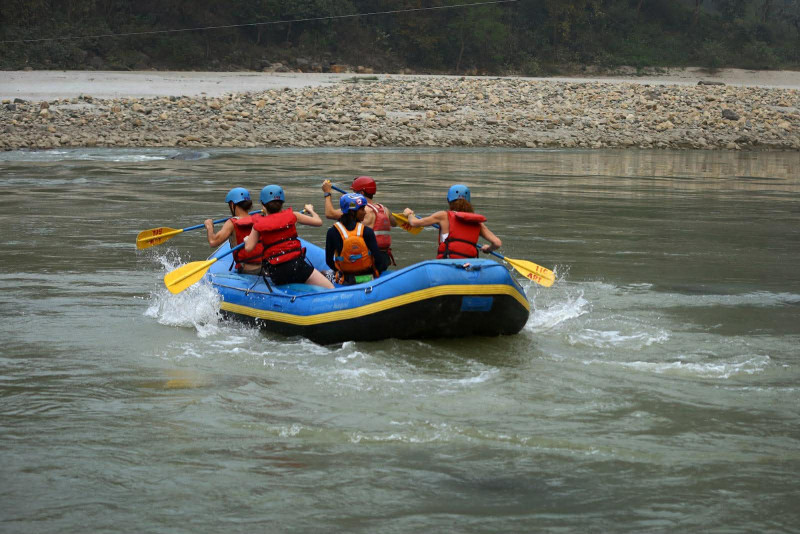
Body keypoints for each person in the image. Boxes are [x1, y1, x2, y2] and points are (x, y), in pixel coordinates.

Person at [243, 185, 334, 289]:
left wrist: (247, 240)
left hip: (277, 272)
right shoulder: (294, 215)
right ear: (282, 203)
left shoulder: (258, 224)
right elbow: (318, 222)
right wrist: (310, 210)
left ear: (263, 205)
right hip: (297, 267)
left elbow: (248, 248)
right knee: (330, 287)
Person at [403, 184, 501, 259]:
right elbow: (497, 243)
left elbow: (414, 223)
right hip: (469, 264)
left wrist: (409, 214)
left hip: (448, 263)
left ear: (449, 201)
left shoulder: (443, 216)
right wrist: (487, 249)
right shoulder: (477, 223)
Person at [322, 176, 398, 266]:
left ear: (361, 193)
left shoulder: (359, 210)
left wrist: (327, 193)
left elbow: (330, 214)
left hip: (368, 259)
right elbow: (395, 223)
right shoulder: (384, 209)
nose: (353, 195)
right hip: (385, 258)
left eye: (354, 192)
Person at [325, 193, 388, 285]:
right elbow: (378, 260)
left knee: (323, 273)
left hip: (345, 279)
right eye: (362, 209)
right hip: (367, 278)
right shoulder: (367, 231)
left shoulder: (332, 232)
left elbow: (329, 261)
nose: (365, 212)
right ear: (352, 212)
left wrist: (339, 272)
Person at [204, 187, 263, 274]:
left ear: (232, 204)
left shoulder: (232, 223)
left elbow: (213, 241)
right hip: (264, 267)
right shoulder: (260, 219)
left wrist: (209, 226)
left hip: (246, 269)